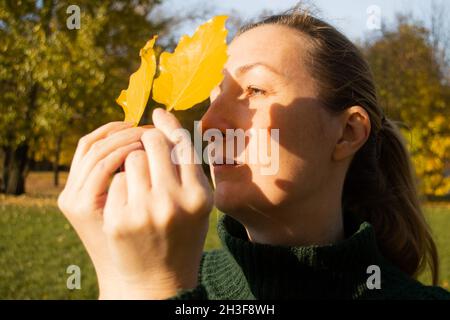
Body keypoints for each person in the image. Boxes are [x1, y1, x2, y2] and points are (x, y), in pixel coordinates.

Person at [57, 9, 450, 299]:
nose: (209, 125)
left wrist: (151, 289)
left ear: (347, 133)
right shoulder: (182, 276)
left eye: (255, 91)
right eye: (211, 98)